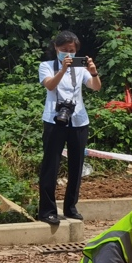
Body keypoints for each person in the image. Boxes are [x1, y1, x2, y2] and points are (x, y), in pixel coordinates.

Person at [38, 30, 101, 225]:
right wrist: (63, 70)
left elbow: (95, 87)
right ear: (56, 48)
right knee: (51, 165)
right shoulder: (46, 66)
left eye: (72, 50)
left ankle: (71, 207)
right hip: (54, 120)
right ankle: (47, 210)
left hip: (78, 120)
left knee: (76, 165)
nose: (68, 54)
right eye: (64, 50)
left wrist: (93, 72)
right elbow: (50, 85)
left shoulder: (80, 67)